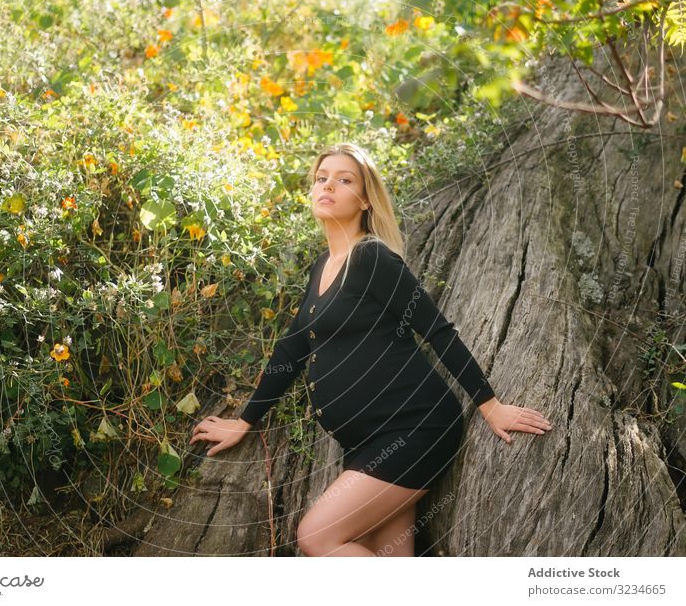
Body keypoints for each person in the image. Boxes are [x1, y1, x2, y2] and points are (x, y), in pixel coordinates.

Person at [189, 142, 552, 556]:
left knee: (317, 536)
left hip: (415, 429)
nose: (328, 186)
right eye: (321, 178)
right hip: (364, 445)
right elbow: (291, 351)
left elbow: (437, 331)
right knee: (386, 558)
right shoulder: (323, 265)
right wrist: (245, 421)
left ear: (364, 200)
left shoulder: (372, 258)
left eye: (344, 180)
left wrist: (490, 406)